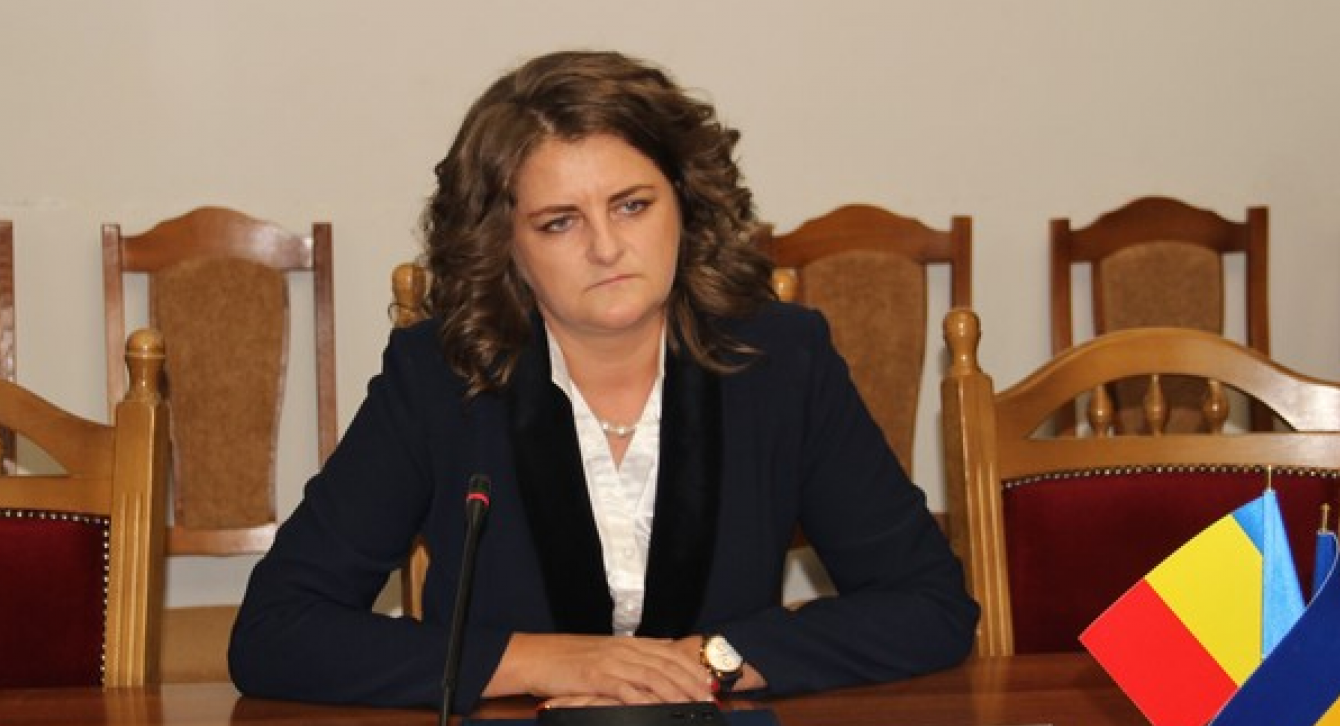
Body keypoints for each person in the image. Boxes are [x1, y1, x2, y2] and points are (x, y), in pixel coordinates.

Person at [229, 49, 977, 713]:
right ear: (506, 247)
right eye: (560, 222)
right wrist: (539, 661)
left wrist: (710, 662)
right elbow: (275, 630)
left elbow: (930, 604)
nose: (607, 247)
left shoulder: (779, 360)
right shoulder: (440, 376)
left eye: (632, 205)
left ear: (685, 203)